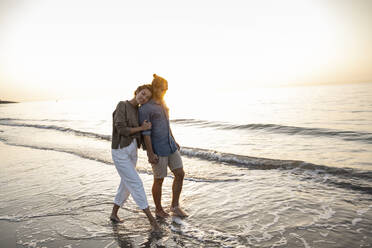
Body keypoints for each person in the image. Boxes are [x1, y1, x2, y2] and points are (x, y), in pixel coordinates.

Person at [110, 84, 160, 232]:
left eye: (147, 97)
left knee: (126, 185)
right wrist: (141, 128)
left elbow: (143, 134)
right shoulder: (122, 105)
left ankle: (113, 214)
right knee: (136, 183)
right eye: (142, 93)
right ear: (137, 91)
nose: (143, 97)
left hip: (132, 151)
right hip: (120, 151)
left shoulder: (139, 110)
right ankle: (153, 222)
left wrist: (151, 152)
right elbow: (122, 129)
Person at [139, 74, 188, 218]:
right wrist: (150, 153)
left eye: (166, 90)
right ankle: (159, 210)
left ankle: (175, 206)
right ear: (155, 88)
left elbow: (166, 124)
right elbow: (146, 133)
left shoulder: (164, 103)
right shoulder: (145, 108)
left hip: (170, 145)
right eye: (162, 90)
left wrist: (174, 139)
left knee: (180, 173)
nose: (164, 92)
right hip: (158, 149)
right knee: (159, 179)